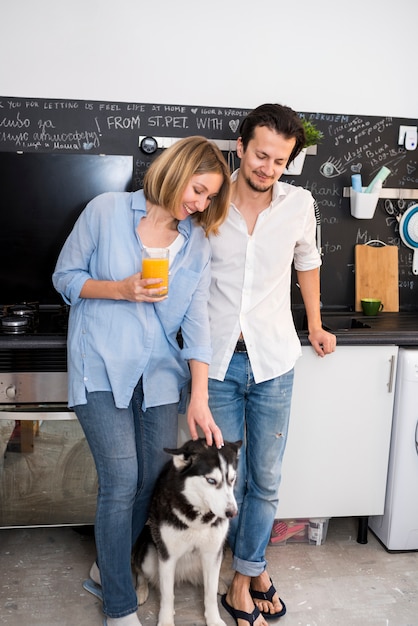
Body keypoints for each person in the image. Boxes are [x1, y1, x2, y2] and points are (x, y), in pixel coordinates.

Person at [52, 136, 231, 626]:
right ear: (175, 172)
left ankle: (106, 567)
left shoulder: (197, 242)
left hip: (157, 375)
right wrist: (121, 289)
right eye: (198, 190)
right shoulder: (106, 211)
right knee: (121, 480)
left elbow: (196, 324)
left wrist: (199, 395)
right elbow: (65, 277)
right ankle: (119, 607)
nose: (200, 203)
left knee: (149, 480)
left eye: (210, 197)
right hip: (100, 366)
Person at [207, 104, 337, 626]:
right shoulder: (209, 199)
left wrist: (317, 325)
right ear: (240, 148)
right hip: (214, 362)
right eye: (261, 155)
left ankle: (243, 578)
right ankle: (255, 568)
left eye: (280, 160)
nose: (268, 167)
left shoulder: (299, 203)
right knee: (225, 480)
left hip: (274, 359)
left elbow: (307, 261)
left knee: (265, 477)